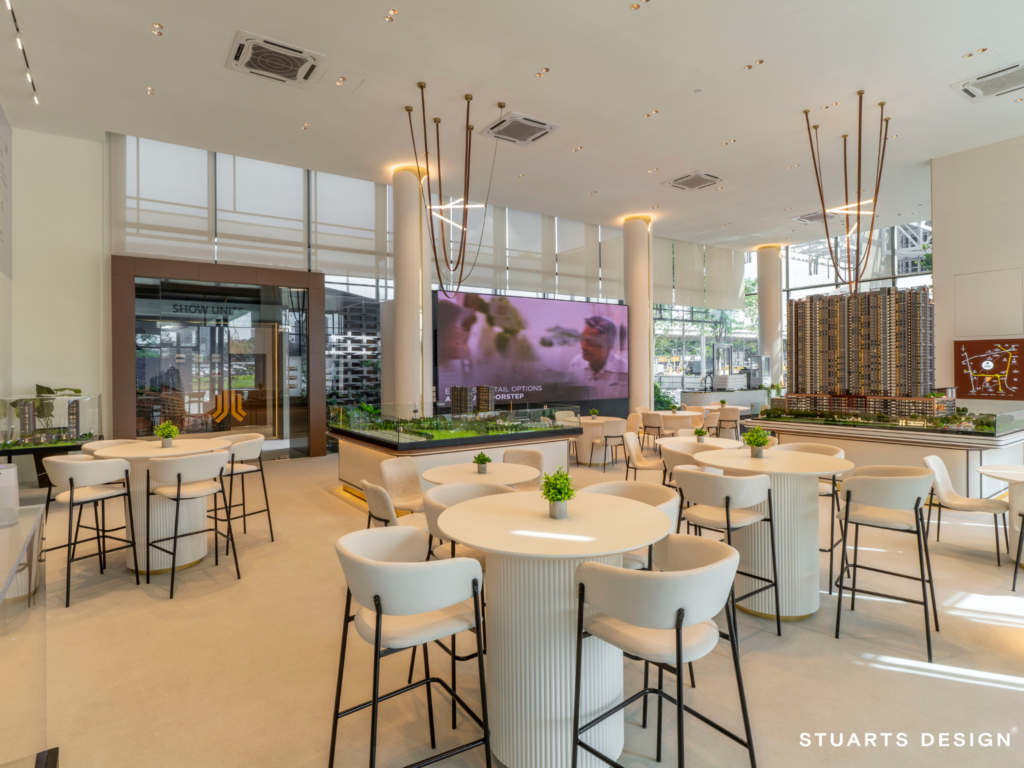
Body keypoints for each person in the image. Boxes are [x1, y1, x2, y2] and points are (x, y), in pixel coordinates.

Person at [567, 316, 628, 397]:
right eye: (582, 339)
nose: (583, 347)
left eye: (590, 342)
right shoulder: (576, 364)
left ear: (607, 346)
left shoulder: (625, 371)